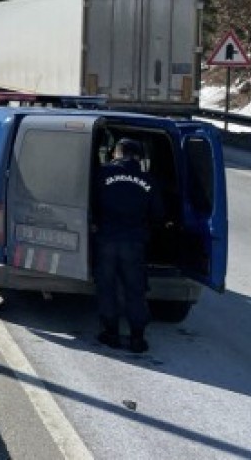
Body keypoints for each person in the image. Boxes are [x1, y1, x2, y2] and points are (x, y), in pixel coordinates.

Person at [94, 138, 162, 353]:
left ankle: (111, 334)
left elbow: (91, 204)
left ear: (117, 153)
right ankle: (137, 338)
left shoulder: (102, 175)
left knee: (108, 287)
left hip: (106, 240)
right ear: (139, 157)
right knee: (135, 290)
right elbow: (158, 214)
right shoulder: (148, 180)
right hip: (134, 242)